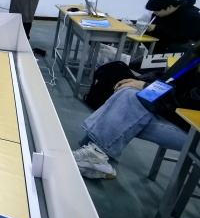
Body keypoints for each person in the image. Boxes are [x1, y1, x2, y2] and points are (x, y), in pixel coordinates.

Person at [72, 41, 200, 180]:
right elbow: (169, 79)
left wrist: (145, 86)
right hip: (174, 114)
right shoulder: (196, 52)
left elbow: (190, 102)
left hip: (192, 131)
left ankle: (95, 155)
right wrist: (137, 81)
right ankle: (96, 156)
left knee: (125, 109)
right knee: (128, 93)